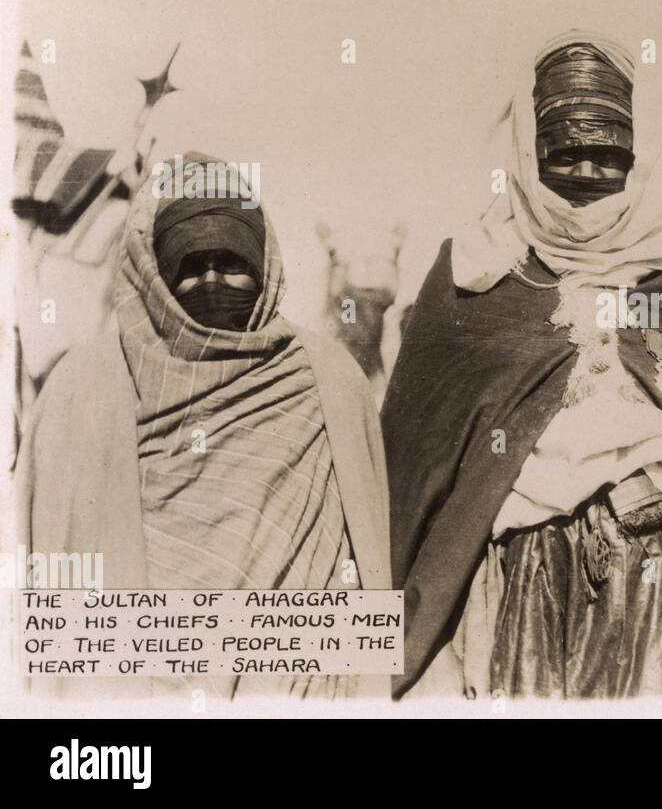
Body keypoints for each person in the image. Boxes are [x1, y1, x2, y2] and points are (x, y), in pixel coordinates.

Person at [384, 31, 662, 701]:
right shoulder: (475, 281)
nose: (587, 175)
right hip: (514, 591)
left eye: (607, 155)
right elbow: (413, 484)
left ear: (635, 156)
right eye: (565, 154)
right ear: (529, 156)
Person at [17, 153, 391, 699]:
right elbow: (43, 593)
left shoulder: (329, 381)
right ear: (155, 273)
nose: (211, 280)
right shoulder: (84, 388)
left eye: (230, 262)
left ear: (264, 268)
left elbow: (368, 581)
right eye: (189, 266)